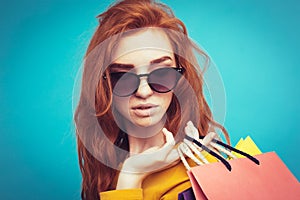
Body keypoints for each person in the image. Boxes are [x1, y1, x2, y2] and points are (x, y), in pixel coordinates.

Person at [74, 0, 231, 199]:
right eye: (122, 76)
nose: (144, 91)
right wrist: (131, 173)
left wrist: (131, 177)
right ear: (104, 86)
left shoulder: (201, 176)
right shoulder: (108, 173)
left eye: (161, 74)